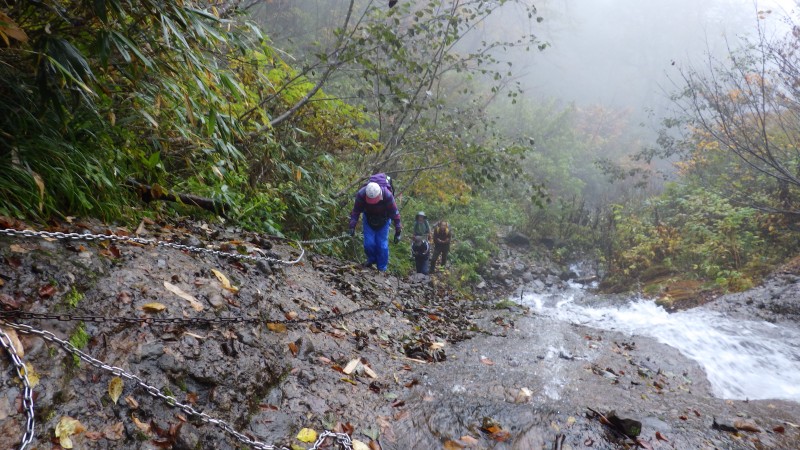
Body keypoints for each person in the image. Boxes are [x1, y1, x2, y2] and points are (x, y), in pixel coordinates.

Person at [349, 173, 402, 272]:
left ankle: (382, 268)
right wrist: (352, 226)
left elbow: (395, 214)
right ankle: (371, 259)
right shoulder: (361, 194)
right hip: (368, 218)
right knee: (368, 243)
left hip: (384, 220)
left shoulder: (387, 195)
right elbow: (356, 211)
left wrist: (398, 231)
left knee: (382, 245)